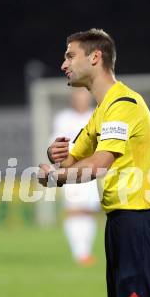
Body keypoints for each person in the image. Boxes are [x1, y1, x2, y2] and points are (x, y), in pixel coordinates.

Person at [38, 29, 150, 297]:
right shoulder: (102, 112)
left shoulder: (123, 104)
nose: (63, 64)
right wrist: (56, 155)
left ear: (95, 57)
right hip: (120, 221)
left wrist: (57, 177)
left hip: (142, 218)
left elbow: (100, 163)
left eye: (70, 56)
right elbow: (74, 159)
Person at [51, 88, 99, 266]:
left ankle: (85, 251)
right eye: (78, 96)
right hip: (71, 170)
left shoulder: (96, 115)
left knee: (88, 211)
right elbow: (56, 144)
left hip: (92, 169)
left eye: (84, 96)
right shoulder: (64, 118)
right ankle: (79, 253)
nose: (81, 100)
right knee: (73, 210)